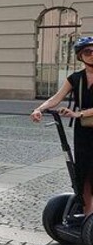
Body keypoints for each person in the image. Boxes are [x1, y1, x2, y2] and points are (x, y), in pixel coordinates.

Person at [31, 36, 93, 218]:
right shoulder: (75, 78)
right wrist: (39, 109)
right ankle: (87, 214)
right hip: (83, 132)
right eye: (87, 52)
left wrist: (78, 114)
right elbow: (55, 98)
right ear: (80, 56)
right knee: (83, 171)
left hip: (83, 120)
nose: (92, 55)